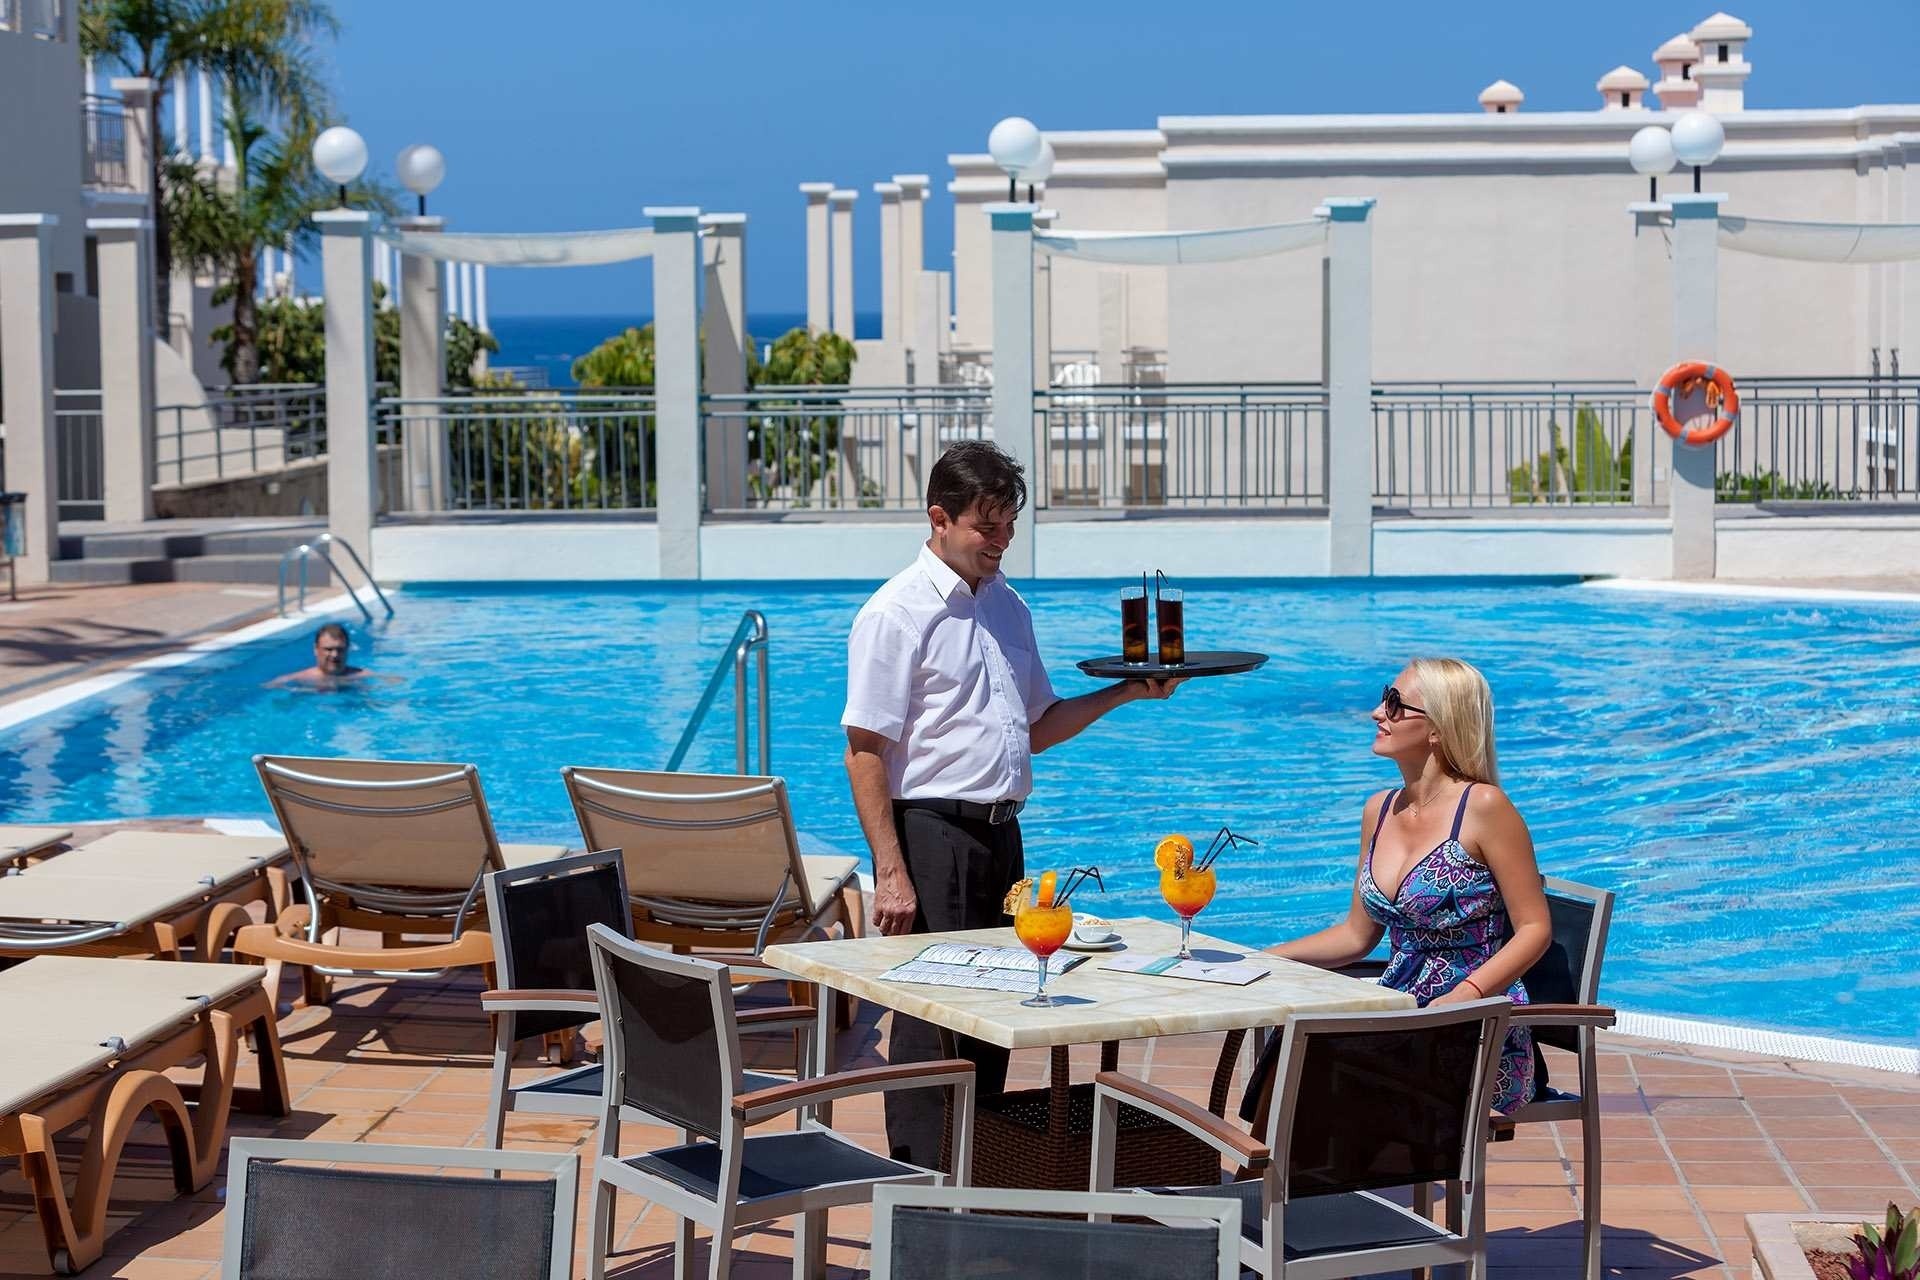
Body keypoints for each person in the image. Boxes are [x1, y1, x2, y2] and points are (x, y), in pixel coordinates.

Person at [841, 440, 1183, 1167]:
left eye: (1008, 526)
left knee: (995, 1012)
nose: (1000, 542)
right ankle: (918, 1183)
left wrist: (1125, 692)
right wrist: (891, 871)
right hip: (931, 834)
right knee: (931, 1018)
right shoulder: (895, 613)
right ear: (939, 518)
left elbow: (1037, 726)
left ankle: (976, 1170)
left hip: (1003, 838)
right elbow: (865, 750)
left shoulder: (1008, 607)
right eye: (985, 526)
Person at [1266, 656, 1549, 1113]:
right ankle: (1285, 1175)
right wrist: (1264, 959)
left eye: (1396, 704)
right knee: (1293, 1046)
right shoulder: (1379, 809)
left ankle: (1289, 1174)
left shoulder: (1485, 808)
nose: (1378, 712)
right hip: (1401, 1004)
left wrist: (1463, 997)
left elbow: (1535, 927)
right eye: (1384, 698)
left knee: (1318, 1067)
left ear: (1438, 728)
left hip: (1475, 1021)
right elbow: (1356, 936)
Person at [271, 622, 367, 687]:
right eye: (328, 649)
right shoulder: (293, 680)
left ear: (347, 649)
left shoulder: (364, 676)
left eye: (340, 649)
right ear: (316, 649)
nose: (335, 655)